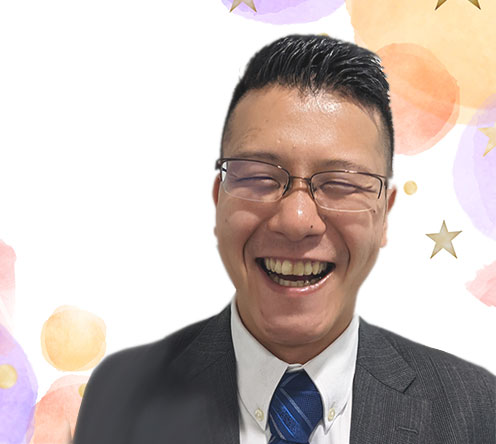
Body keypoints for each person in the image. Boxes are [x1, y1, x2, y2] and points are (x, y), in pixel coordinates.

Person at [74, 34, 496, 444]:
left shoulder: (475, 411)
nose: (296, 221)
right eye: (259, 177)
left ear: (384, 214)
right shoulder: (122, 395)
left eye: (340, 183)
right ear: (219, 199)